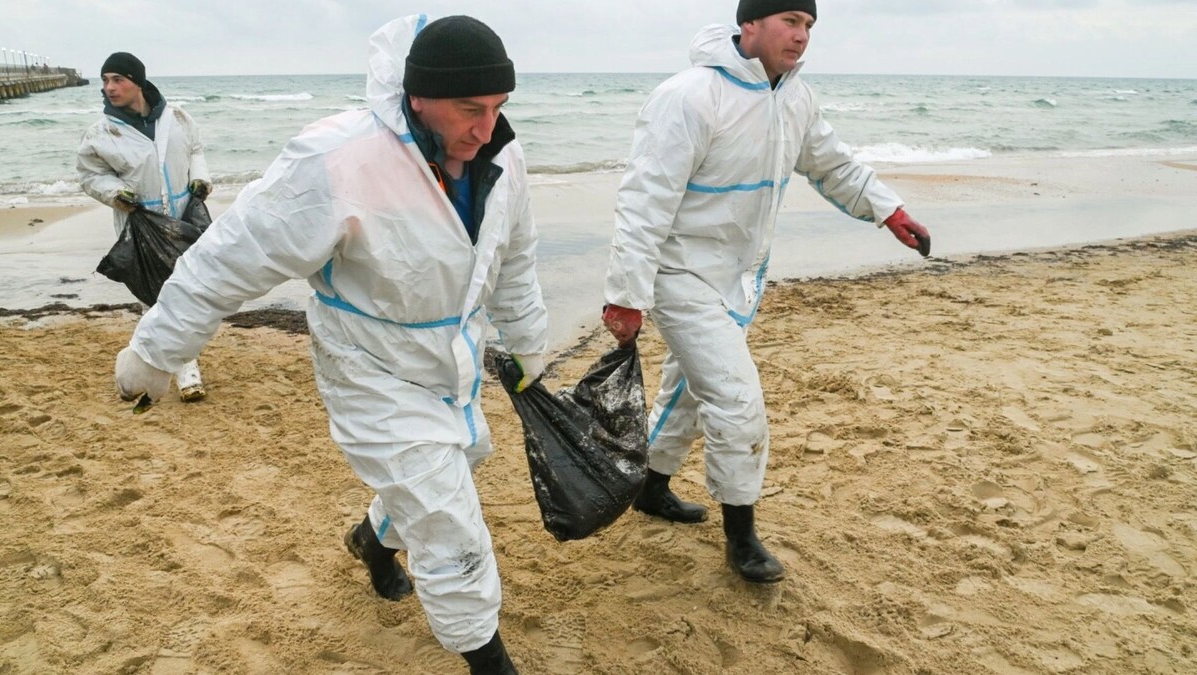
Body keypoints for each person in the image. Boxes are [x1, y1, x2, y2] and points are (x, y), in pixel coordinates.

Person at [112, 15, 545, 674]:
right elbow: (231, 256)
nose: (488, 128)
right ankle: (491, 662)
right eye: (470, 110)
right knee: (445, 519)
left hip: (449, 358)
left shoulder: (501, 156)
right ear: (419, 96)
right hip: (367, 367)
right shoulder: (340, 160)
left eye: (498, 108)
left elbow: (514, 257)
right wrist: (156, 352)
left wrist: (527, 342)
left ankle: (371, 539)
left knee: (469, 453)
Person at [601, 0, 932, 585]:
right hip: (679, 273)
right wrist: (626, 293)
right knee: (736, 399)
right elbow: (643, 202)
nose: (801, 35)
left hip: (741, 275)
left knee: (688, 389)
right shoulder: (689, 97)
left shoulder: (796, 97)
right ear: (748, 25)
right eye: (789, 21)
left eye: (808, 25)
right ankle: (742, 536)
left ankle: (651, 488)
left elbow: (832, 164)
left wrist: (889, 210)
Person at [77, 51, 212, 402]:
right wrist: (116, 193)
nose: (109, 87)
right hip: (140, 224)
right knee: (154, 297)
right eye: (105, 80)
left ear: (137, 81)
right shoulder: (102, 132)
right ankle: (180, 370)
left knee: (185, 294)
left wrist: (200, 179)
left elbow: (196, 149)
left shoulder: (177, 117)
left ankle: (168, 366)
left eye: (117, 79)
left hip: (180, 220)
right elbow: (91, 175)